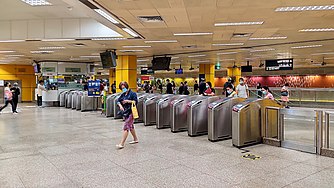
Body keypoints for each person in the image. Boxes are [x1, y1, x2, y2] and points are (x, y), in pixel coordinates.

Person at [116, 81, 139, 149]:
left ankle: (121, 143)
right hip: (126, 112)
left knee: (126, 126)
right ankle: (135, 139)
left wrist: (127, 101)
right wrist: (120, 106)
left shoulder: (132, 93)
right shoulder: (123, 94)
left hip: (131, 112)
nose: (123, 89)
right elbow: (118, 100)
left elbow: (135, 101)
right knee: (131, 126)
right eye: (122, 88)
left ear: (127, 87)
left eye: (124, 88)